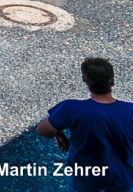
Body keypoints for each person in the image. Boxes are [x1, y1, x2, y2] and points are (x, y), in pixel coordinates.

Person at [38, 58, 133, 191]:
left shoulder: (71, 109)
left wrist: (59, 133)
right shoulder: (130, 110)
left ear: (85, 80)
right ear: (112, 80)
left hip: (86, 180)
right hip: (123, 180)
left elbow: (43, 130)